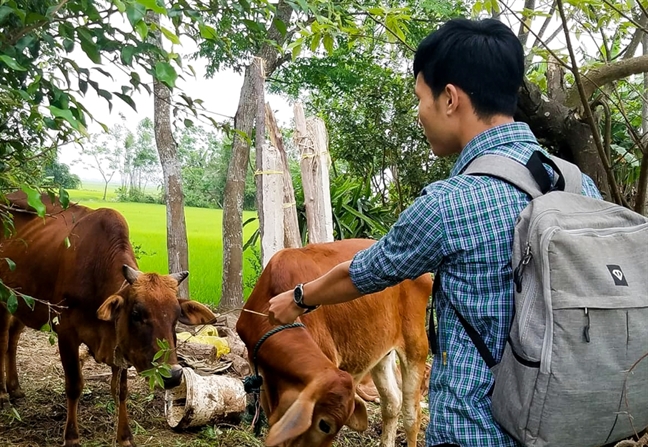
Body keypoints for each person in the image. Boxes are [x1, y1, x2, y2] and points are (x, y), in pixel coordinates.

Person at [268, 18, 602, 447]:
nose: (420, 113)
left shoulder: (450, 203)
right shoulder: (578, 185)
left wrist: (297, 298)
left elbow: (362, 273)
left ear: (450, 99)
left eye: (420, 98)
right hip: (569, 427)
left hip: (476, 432)